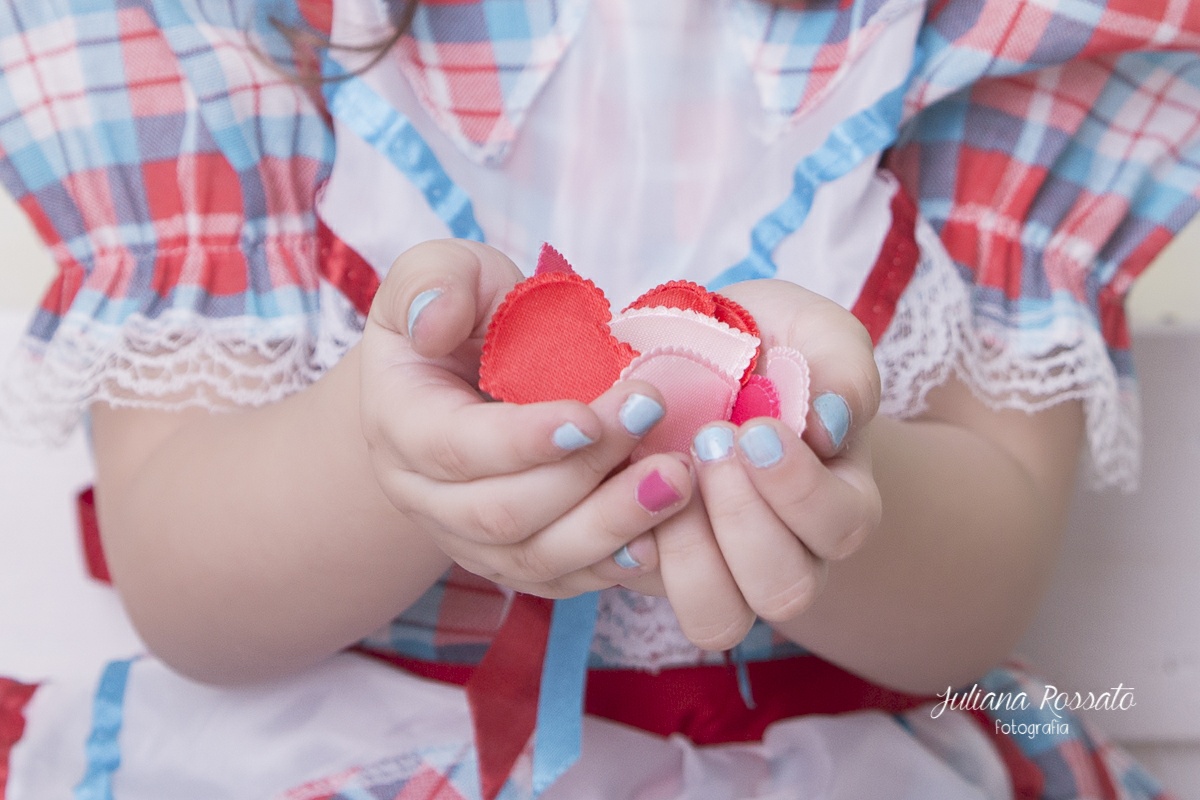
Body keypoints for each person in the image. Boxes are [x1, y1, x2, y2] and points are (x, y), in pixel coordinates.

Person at [0, 0, 1194, 797]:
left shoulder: (983, 30)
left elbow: (979, 592)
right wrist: (397, 457)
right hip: (350, 732)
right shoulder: (237, 34)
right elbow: (185, 577)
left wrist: (831, 473)